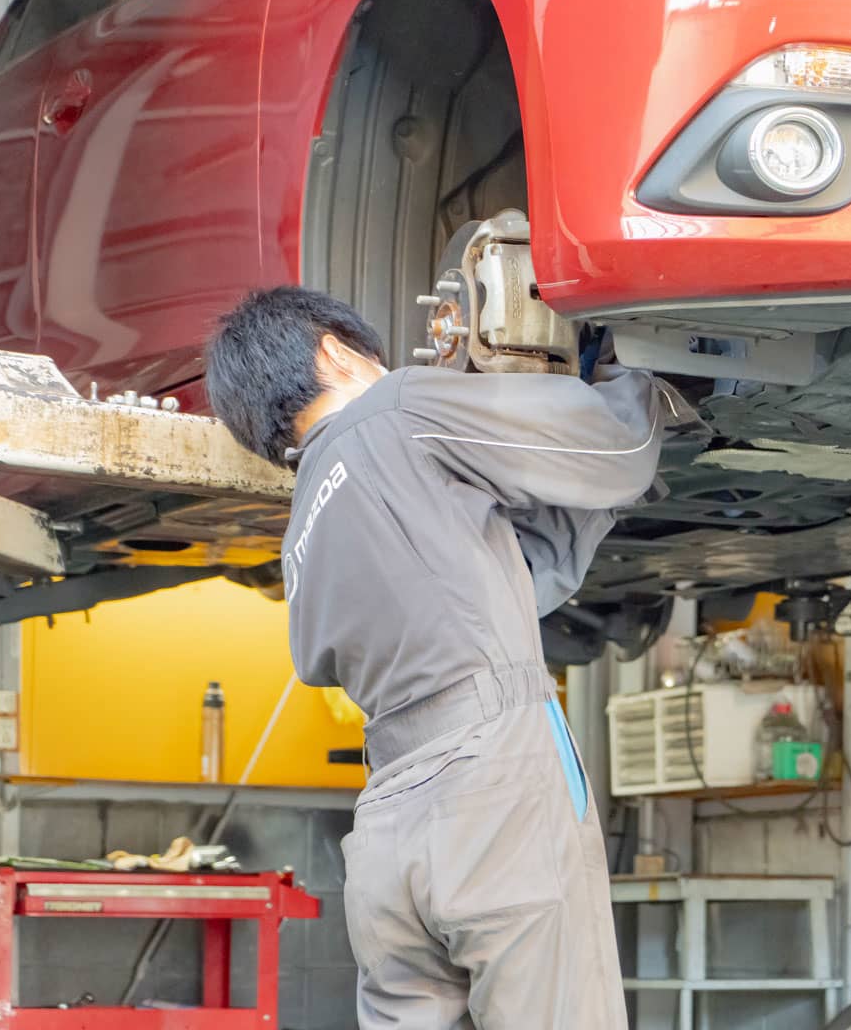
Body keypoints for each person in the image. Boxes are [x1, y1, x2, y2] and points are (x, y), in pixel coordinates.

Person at [206, 286, 676, 1029]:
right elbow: (611, 450)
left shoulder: (302, 534)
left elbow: (515, 578)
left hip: (390, 830)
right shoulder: (392, 411)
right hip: (491, 783)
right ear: (334, 350)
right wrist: (645, 368)